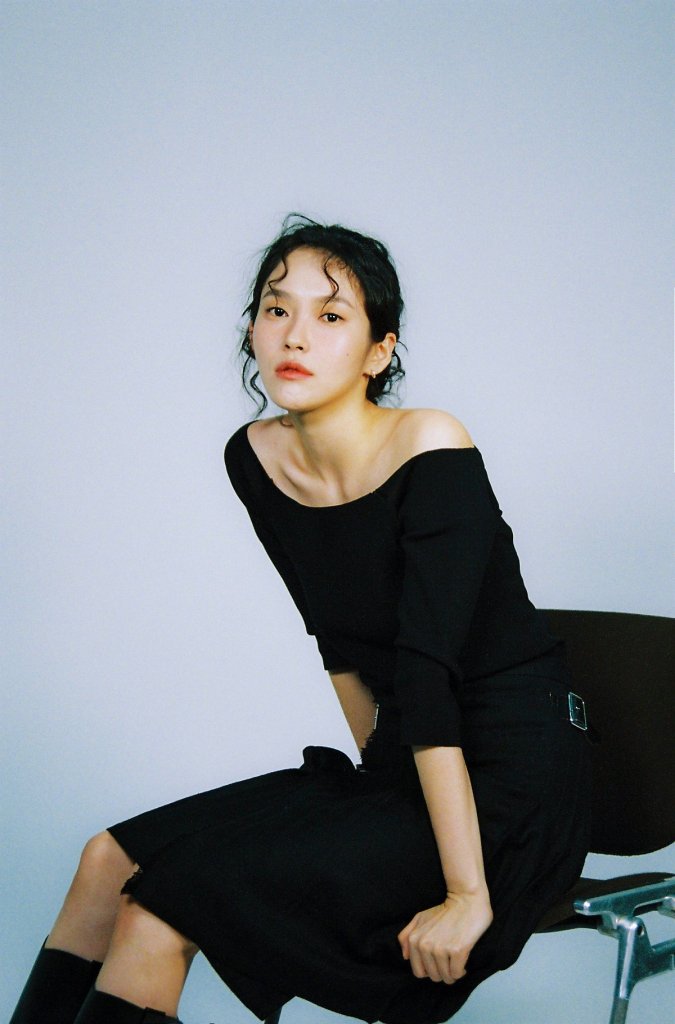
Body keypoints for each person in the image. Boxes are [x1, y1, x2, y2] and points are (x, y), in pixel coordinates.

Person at [10, 214, 592, 1024]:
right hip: (409, 762)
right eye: (276, 308)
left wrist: (465, 894)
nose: (294, 334)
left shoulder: (430, 444)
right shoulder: (256, 456)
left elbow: (426, 672)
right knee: (106, 860)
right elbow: (336, 640)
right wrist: (369, 790)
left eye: (330, 315)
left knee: (167, 902)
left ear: (378, 352)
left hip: (509, 779)